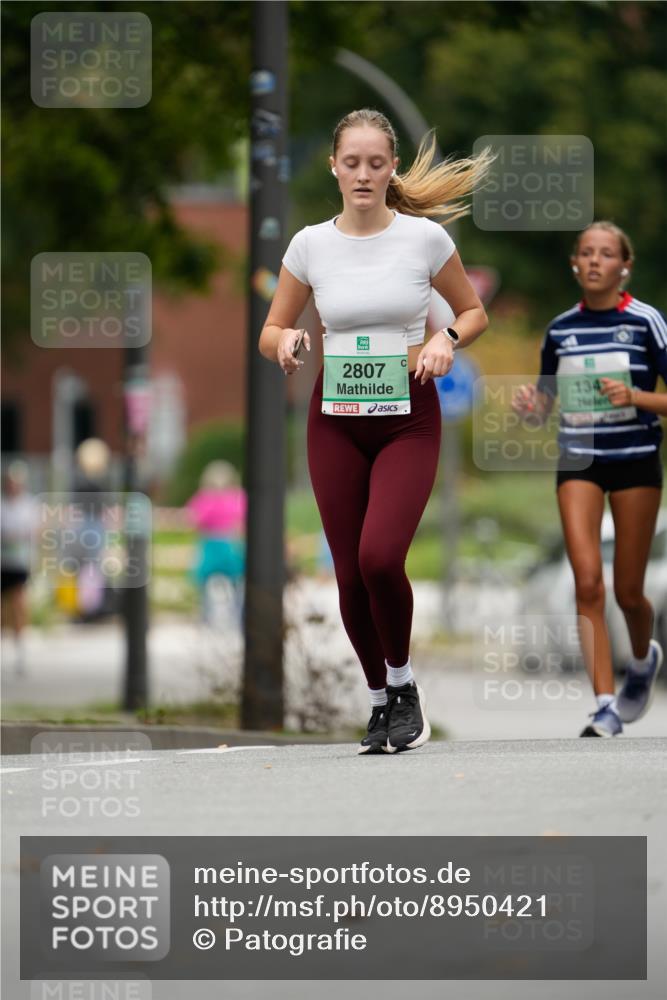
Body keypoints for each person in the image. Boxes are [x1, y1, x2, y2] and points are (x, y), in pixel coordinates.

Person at [259, 108, 490, 754]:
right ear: (334, 167)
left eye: (376, 162)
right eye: (351, 162)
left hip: (407, 421)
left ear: (391, 169)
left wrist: (444, 339)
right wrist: (289, 340)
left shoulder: (422, 241)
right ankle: (378, 703)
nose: (363, 174)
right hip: (334, 421)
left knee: (379, 556)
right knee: (349, 577)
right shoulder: (309, 245)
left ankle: (403, 682)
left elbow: (472, 312)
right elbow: (269, 329)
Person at [513, 221, 666, 737]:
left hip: (636, 460)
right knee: (586, 580)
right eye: (586, 253)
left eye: (606, 254)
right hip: (578, 460)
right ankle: (604, 703)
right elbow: (544, 406)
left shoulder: (646, 322)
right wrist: (530, 408)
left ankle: (642, 660)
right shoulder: (559, 330)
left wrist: (638, 399)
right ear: (574, 264)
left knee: (628, 590)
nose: (595, 261)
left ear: (625, 266)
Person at [186, 460, 246, 624]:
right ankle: (238, 616)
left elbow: (193, 521)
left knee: (204, 583)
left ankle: (206, 617)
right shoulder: (237, 497)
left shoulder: (204, 499)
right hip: (230, 545)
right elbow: (242, 522)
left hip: (210, 545)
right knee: (237, 582)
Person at [1, 461, 39, 673]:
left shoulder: (28, 505)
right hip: (2, 563)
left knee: (18, 605)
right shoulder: (2, 505)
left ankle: (20, 650)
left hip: (19, 563)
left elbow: (36, 532)